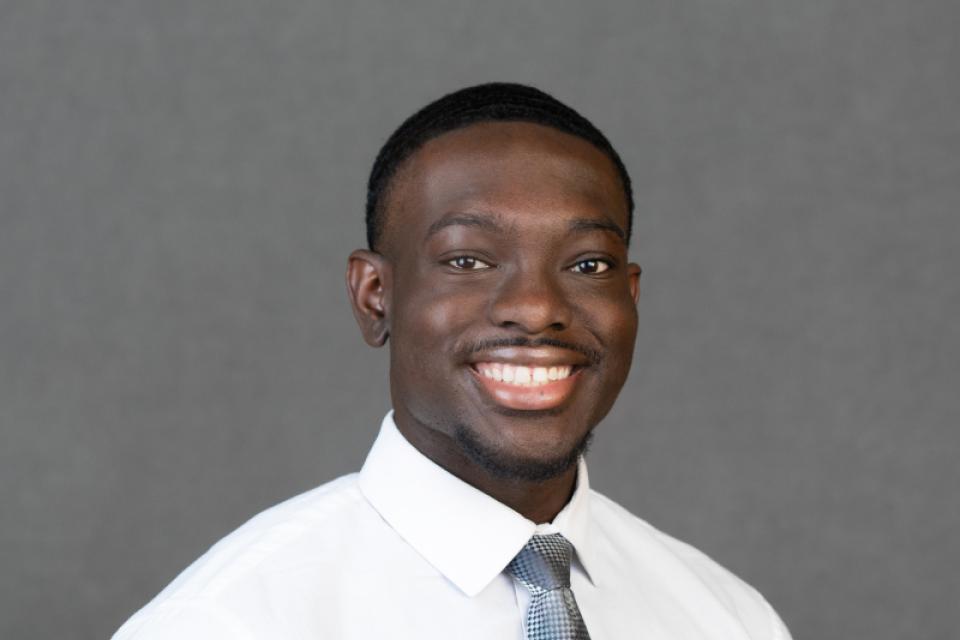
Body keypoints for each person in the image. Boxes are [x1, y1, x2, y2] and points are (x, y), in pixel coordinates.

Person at [113, 83, 793, 639]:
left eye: (588, 264)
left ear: (630, 297)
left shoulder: (728, 620)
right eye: (468, 260)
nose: (536, 308)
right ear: (375, 296)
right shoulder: (227, 624)